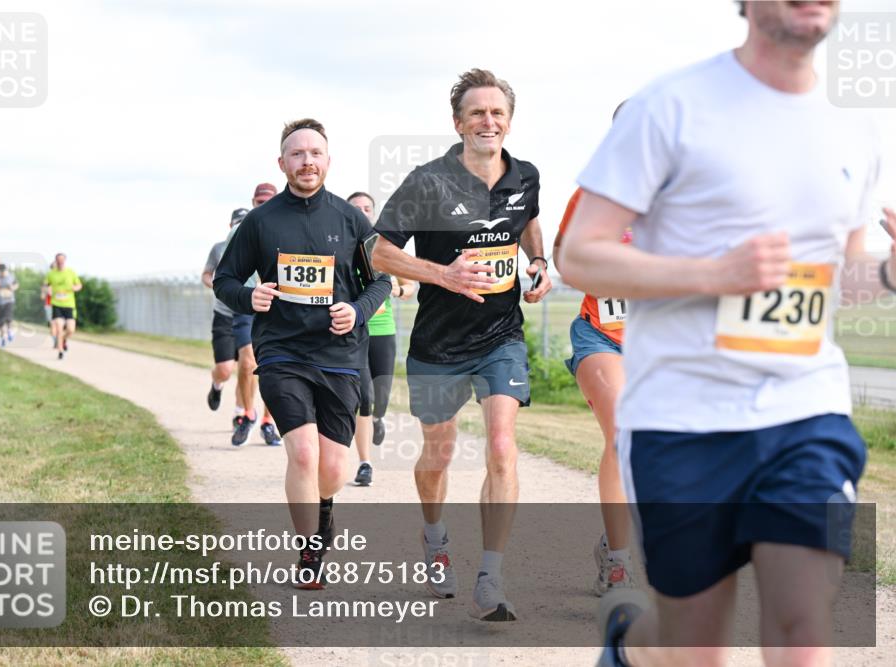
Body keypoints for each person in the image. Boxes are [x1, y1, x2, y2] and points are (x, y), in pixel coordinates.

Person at [557, 3, 887, 665]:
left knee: (803, 627)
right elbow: (579, 256)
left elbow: (837, 275)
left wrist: (886, 271)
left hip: (805, 411)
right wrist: (715, 274)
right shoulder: (669, 108)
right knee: (692, 647)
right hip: (682, 418)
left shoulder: (853, 134)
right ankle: (631, 648)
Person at [372, 69, 552, 621]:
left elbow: (529, 220)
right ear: (458, 123)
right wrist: (442, 274)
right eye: (477, 112)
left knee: (501, 446)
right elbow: (377, 251)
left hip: (502, 336)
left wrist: (538, 262)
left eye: (497, 112)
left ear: (509, 122)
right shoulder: (428, 182)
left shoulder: (525, 175)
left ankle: (490, 577)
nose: (487, 121)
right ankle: (435, 536)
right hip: (439, 344)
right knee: (439, 453)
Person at [214, 118, 391, 588]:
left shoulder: (352, 220)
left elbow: (381, 281)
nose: (307, 161)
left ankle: (324, 506)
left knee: (333, 469)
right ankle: (309, 552)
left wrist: (357, 310)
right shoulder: (260, 222)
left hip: (340, 356)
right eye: (297, 154)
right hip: (282, 353)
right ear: (282, 163)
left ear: (328, 161)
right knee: (304, 454)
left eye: (315, 153)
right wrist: (248, 296)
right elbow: (225, 280)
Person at [554, 105, 636, 597]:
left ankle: (613, 540)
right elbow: (565, 257)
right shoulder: (591, 194)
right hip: (601, 334)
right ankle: (621, 564)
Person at [346, 191, 417, 487]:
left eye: (367, 208)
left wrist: (395, 290)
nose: (362, 212)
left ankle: (378, 418)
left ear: (374, 213)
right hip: (353, 332)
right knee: (365, 397)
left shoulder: (385, 248)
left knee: (381, 396)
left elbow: (410, 286)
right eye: (356, 208)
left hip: (383, 330)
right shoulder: (340, 245)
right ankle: (365, 463)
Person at [203, 206, 282, 446]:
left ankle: (260, 420)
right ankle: (236, 403)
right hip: (230, 311)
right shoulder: (222, 246)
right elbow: (209, 275)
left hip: (267, 308)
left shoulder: (273, 239)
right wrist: (223, 288)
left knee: (265, 366)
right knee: (231, 368)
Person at [227, 183, 285, 447]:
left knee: (272, 365)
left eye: (269, 201)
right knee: (247, 362)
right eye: (260, 202)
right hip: (248, 304)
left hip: (277, 305)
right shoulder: (239, 231)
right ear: (253, 203)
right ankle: (247, 414)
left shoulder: (287, 227)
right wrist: (244, 294)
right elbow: (226, 274)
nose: (264, 206)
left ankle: (267, 422)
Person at [44, 253, 82, 360]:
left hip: (69, 305)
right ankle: (60, 351)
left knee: (71, 329)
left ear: (65, 261)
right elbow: (46, 285)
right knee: (59, 328)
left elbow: (79, 285)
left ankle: (64, 340)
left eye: (62, 260)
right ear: (56, 261)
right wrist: (48, 290)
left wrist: (75, 288)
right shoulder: (51, 274)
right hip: (57, 304)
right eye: (58, 260)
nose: (60, 262)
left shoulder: (71, 272)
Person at [0, 264, 18, 346]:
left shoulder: (11, 276)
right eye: (2, 271)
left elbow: (16, 285)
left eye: (4, 271)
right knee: (1, 321)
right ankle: (3, 338)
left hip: (9, 301)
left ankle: (9, 331)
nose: (3, 273)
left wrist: (12, 287)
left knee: (8, 318)